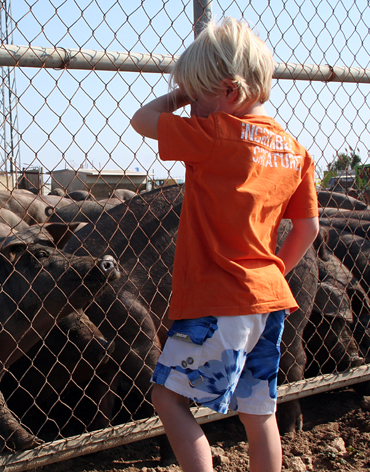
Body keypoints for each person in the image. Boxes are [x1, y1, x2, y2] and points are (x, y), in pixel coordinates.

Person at [130, 17, 319, 472]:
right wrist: (271, 277)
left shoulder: (216, 132)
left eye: (198, 97)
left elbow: (142, 120)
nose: (192, 108)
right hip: (270, 301)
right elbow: (308, 228)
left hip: (219, 299)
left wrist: (177, 95)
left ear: (230, 93)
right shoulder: (295, 149)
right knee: (260, 412)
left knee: (168, 398)